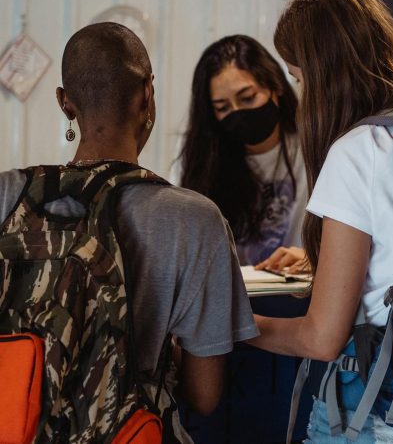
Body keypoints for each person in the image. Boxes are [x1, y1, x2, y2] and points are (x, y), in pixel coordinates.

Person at [0, 23, 259, 443]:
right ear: (147, 95)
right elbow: (205, 396)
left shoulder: (8, 194)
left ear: (65, 103)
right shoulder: (195, 220)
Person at [247, 0, 393, 442]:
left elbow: (322, 338)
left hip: (377, 412)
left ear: (322, 75)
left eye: (299, 78)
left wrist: (239, 325)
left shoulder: (359, 150)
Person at [176, 34, 308, 268]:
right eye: (223, 107)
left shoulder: (311, 148)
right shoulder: (202, 160)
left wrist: (313, 257)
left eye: (247, 98)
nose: (237, 113)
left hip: (295, 290)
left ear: (275, 86)